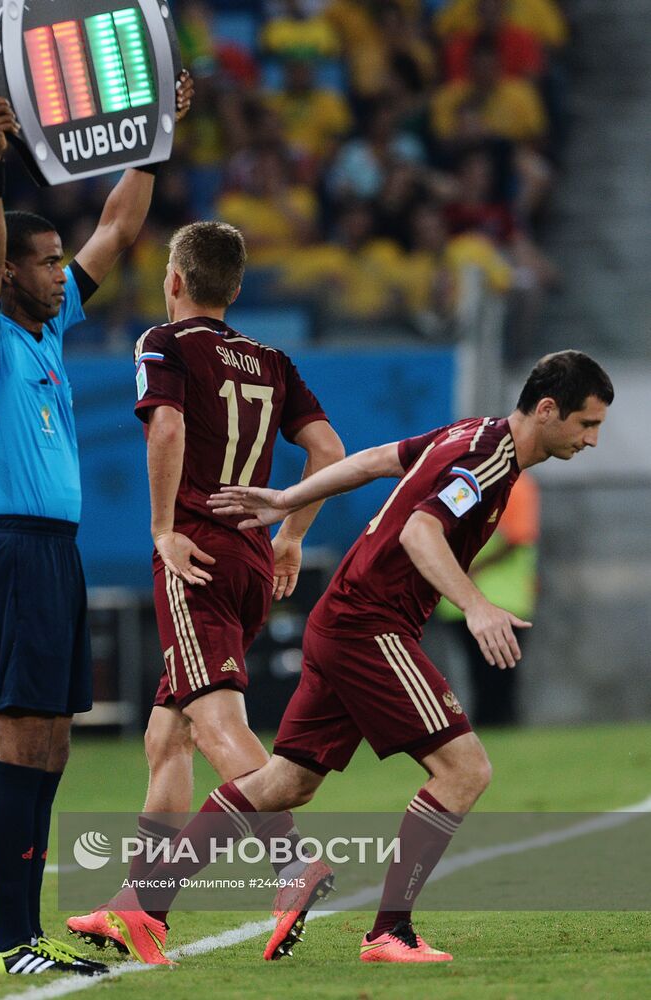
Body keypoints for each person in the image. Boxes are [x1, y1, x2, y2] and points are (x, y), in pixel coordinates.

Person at [121, 350, 612, 964]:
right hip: (370, 624)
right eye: (587, 424)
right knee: (465, 771)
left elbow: (377, 461)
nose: (592, 439)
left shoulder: (472, 434)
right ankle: (390, 931)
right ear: (548, 410)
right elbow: (418, 532)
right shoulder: (488, 457)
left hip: (343, 618)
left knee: (286, 782)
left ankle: (146, 903)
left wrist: (288, 500)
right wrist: (477, 605)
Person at [0, 76, 194, 979]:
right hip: (8, 548)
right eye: (46, 263)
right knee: (19, 741)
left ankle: (24, 932)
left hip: (55, 552)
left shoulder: (48, 333)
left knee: (51, 744)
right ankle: (8, 940)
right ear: (10, 272)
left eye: (59, 261)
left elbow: (122, 227)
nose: (63, 272)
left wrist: (155, 130)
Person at [67, 220, 344, 964]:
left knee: (218, 727)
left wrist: (163, 530)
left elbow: (165, 431)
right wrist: (288, 533)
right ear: (238, 287)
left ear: (176, 281)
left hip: (194, 558)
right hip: (252, 560)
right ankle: (142, 909)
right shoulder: (273, 359)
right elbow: (327, 452)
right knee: (169, 735)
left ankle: (295, 866)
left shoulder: (164, 342)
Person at [436, 470, 540, 724]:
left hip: (462, 598)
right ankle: (496, 726)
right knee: (496, 675)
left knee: (484, 674)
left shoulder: (460, 482)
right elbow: (519, 536)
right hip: (499, 598)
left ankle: (489, 727)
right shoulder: (515, 483)